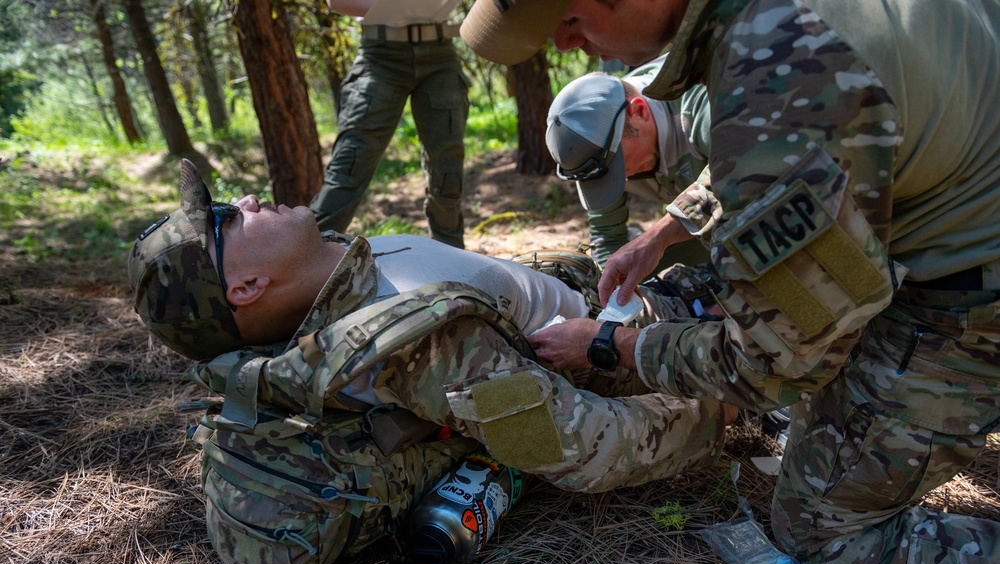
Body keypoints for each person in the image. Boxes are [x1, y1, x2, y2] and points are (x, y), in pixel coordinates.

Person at [461, 0, 1000, 564]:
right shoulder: (760, 32)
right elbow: (795, 137)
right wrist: (663, 233)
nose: (567, 43)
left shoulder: (774, 65)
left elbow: (778, 366)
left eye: (572, 21)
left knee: (819, 529)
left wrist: (613, 345)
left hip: (968, 294)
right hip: (957, 232)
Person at [129, 159, 735, 496]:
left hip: (619, 306)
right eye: (228, 220)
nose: (249, 201)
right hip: (642, 345)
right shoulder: (411, 344)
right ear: (246, 289)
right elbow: (585, 447)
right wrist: (724, 406)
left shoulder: (333, 272)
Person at [310, 0, 469, 248]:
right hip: (381, 57)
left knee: (447, 169)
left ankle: (454, 263)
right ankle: (302, 254)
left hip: (440, 54)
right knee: (350, 165)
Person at [547, 55, 711, 273]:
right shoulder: (598, 144)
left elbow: (737, 180)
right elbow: (607, 235)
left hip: (759, 200)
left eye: (618, 166)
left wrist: (659, 238)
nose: (621, 178)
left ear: (639, 112)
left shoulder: (701, 102)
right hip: (707, 222)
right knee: (632, 272)